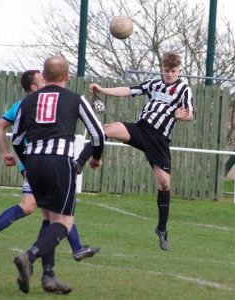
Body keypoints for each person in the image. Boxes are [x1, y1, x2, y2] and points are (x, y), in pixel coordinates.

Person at [0, 70, 100, 264]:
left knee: (52, 207)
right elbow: (0, 126)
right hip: (38, 162)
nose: (46, 81)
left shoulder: (43, 102)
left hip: (35, 163)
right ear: (33, 87)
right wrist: (5, 152)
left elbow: (5, 130)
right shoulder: (25, 105)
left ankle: (74, 249)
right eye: (41, 79)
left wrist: (9, 153)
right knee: (32, 207)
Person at [75, 51, 194, 251]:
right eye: (166, 70)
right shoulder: (154, 84)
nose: (169, 74)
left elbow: (190, 114)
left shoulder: (184, 89)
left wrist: (180, 115)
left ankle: (162, 230)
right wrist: (102, 90)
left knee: (164, 183)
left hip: (159, 140)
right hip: (141, 129)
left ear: (179, 70)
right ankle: (78, 164)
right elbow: (128, 91)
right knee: (105, 130)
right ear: (161, 69)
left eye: (173, 71)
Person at [11, 56, 105, 294]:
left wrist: (28, 163)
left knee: (48, 219)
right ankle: (29, 256)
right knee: (63, 223)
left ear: (44, 75)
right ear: (67, 76)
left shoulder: (28, 101)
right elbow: (98, 135)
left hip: (33, 163)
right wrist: (95, 157)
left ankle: (49, 276)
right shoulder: (75, 99)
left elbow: (17, 139)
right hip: (59, 164)